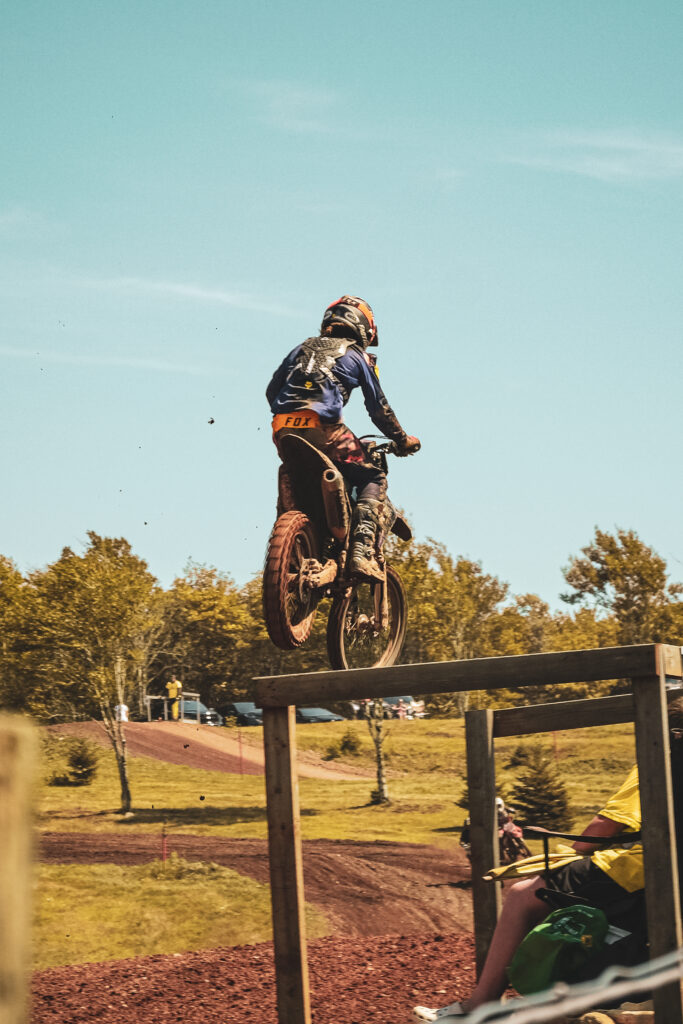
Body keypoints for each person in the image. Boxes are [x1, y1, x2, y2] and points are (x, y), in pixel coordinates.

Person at [412, 691, 683, 1024]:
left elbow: (606, 824)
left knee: (523, 894)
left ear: (669, 731)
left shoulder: (661, 759)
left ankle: (479, 1006)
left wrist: (568, 856)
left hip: (643, 872)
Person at [266, 296, 420, 581]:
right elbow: (379, 409)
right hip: (326, 431)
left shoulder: (301, 348)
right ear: (364, 329)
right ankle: (361, 553)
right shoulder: (357, 355)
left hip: (282, 428)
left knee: (295, 475)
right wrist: (402, 439)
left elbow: (271, 391)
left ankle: (291, 554)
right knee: (373, 478)